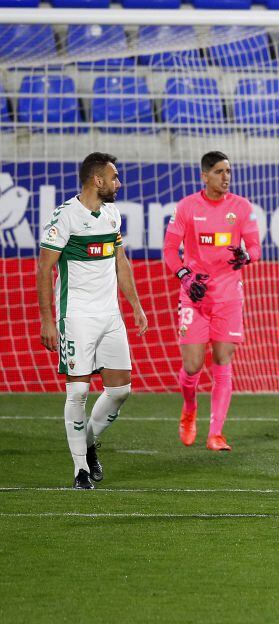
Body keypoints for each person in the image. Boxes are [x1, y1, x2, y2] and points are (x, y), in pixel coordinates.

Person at [36, 152, 148, 489]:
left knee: (120, 391)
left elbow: (121, 262)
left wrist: (136, 306)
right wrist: (47, 320)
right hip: (77, 317)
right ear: (96, 180)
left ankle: (87, 443)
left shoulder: (112, 214)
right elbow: (44, 269)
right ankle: (80, 470)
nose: (119, 183)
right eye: (114, 177)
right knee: (79, 390)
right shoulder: (65, 217)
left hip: (110, 316)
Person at [163, 151, 260, 451]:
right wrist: (185, 276)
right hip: (195, 295)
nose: (225, 176)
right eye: (219, 171)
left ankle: (216, 433)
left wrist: (246, 256)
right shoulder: (187, 207)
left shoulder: (242, 208)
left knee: (223, 359)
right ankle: (189, 408)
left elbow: (255, 248)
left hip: (229, 297)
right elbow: (169, 250)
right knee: (192, 365)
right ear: (204, 176)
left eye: (228, 171)